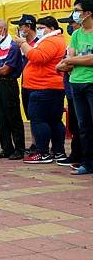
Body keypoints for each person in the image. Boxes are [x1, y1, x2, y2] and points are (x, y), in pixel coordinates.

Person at [16, 16, 66, 164]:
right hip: (48, 86)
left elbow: (38, 57)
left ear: (50, 28)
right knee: (53, 120)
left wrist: (23, 44)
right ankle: (58, 152)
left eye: (41, 28)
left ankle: (43, 152)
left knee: (39, 120)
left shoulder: (52, 40)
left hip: (43, 87)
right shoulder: (54, 40)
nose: (39, 31)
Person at [57, 0, 93, 175]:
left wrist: (72, 60)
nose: (75, 14)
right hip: (76, 83)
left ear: (88, 13)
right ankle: (87, 163)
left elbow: (90, 59)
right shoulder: (77, 34)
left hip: (91, 83)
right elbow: (68, 61)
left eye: (78, 11)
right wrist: (74, 60)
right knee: (83, 126)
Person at [0, 19, 25, 160]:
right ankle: (6, 147)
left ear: (3, 29)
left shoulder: (13, 46)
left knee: (13, 117)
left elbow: (5, 70)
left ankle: (19, 148)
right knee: (1, 118)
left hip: (9, 83)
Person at [55, 11, 83, 167]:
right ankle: (76, 154)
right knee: (75, 126)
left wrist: (64, 64)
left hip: (79, 87)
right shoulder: (72, 41)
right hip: (71, 90)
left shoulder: (82, 40)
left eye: (71, 23)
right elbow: (62, 64)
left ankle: (80, 155)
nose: (69, 26)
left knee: (81, 125)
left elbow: (68, 64)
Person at [10, 14, 39, 153]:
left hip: (39, 85)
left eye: (21, 26)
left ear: (28, 27)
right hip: (25, 83)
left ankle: (42, 145)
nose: (19, 29)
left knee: (39, 116)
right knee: (31, 115)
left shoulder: (39, 42)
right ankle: (34, 143)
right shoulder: (22, 44)